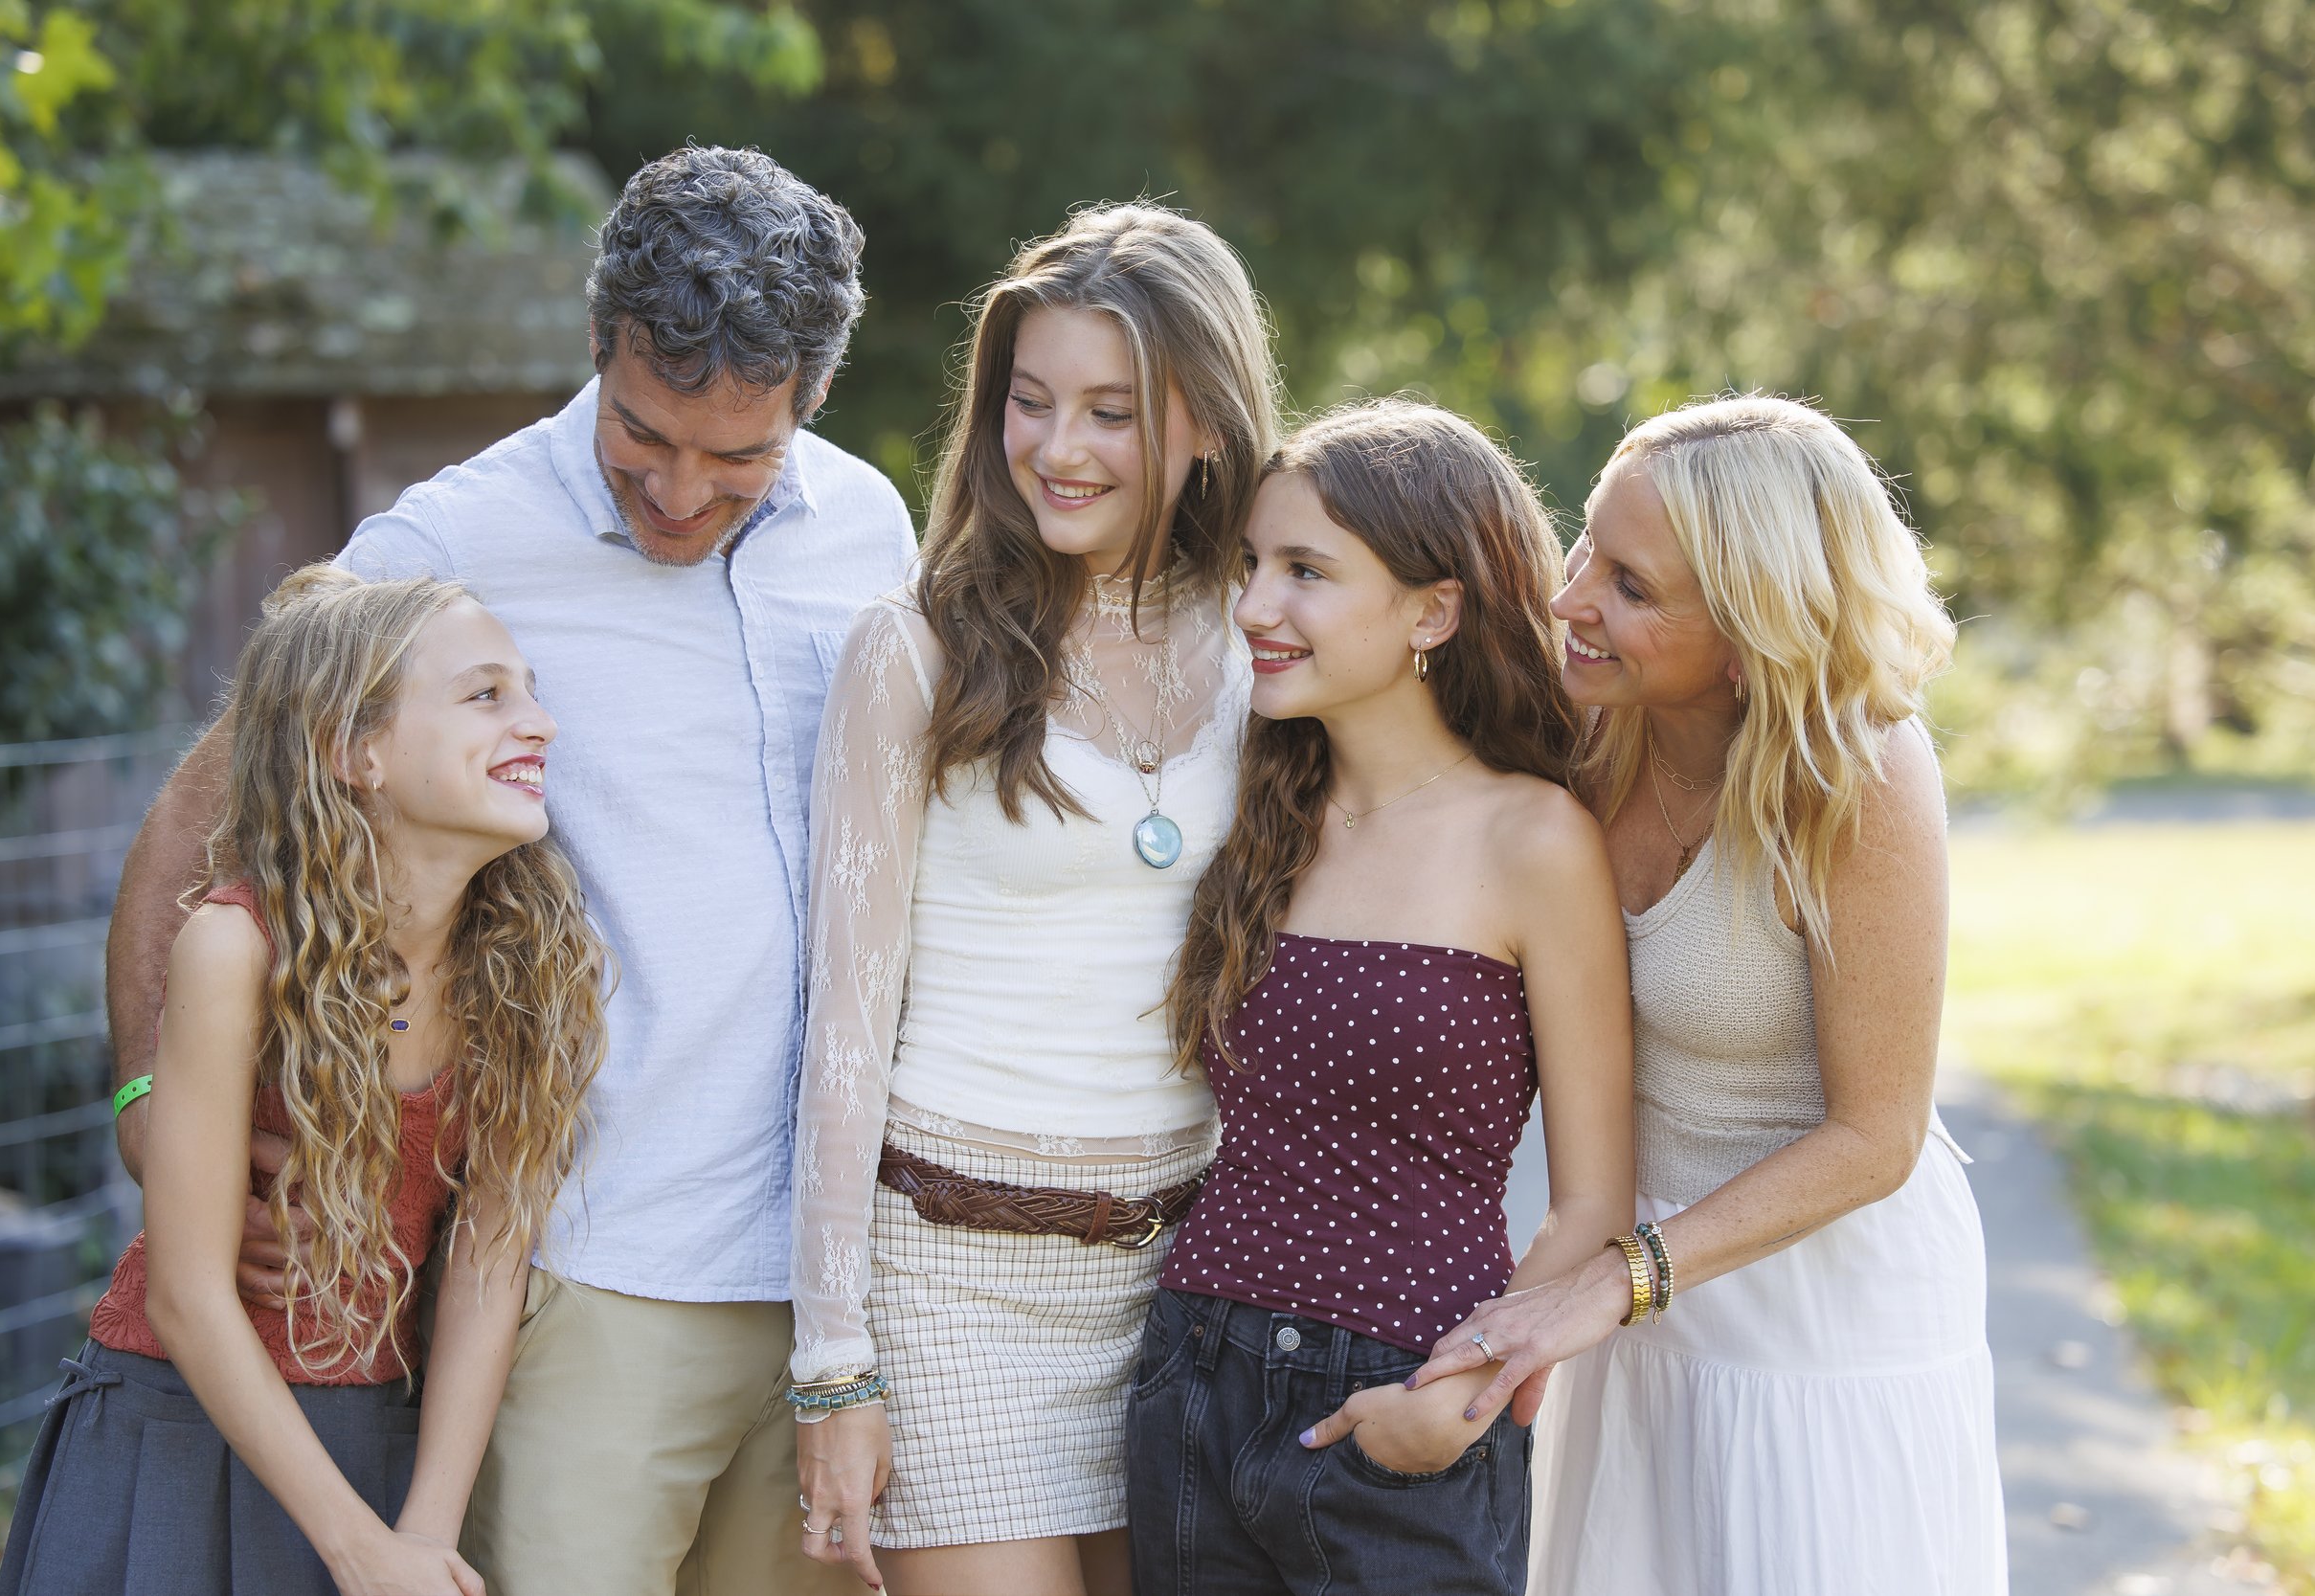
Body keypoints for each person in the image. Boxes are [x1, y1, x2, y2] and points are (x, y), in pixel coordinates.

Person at [101, 146, 915, 1596]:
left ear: (810, 401)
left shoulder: (870, 530)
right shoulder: (449, 542)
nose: (678, 492)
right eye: (641, 436)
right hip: (586, 1271)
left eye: (737, 460)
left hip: (835, 1284)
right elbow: (198, 810)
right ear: (597, 344)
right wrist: (153, 1114)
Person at [1391, 394, 2007, 1593]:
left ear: (1746, 630)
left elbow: (1875, 1137)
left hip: (1824, 1315)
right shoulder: (1585, 733)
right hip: (1636, 1298)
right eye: (1585, 546)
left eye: (1630, 584)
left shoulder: (1859, 771)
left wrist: (1610, 1280)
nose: (1572, 599)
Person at [787, 203, 1282, 1596]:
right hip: (952, 1287)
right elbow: (844, 1018)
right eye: (1032, 401)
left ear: (1201, 419)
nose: (1059, 449)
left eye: (1111, 411)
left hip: (1185, 1290)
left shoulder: (1263, 635)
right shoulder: (919, 648)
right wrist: (833, 1365)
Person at [0, 568, 605, 1596]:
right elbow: (188, 1293)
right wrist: (353, 1545)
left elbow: (490, 1261)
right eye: (486, 693)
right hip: (178, 1423)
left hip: (376, 1438)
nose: (540, 721)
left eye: (530, 690)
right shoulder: (234, 947)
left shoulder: (532, 960)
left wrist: (421, 1532)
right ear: (355, 749)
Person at [1127, 399, 1635, 1594]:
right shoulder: (1257, 815)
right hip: (1192, 1378)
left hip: (1399, 1409)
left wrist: (1457, 1393)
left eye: (1305, 570)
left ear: (1433, 609)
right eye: (1253, 565)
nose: (1255, 604)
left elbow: (1592, 1201)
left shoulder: (1535, 837)